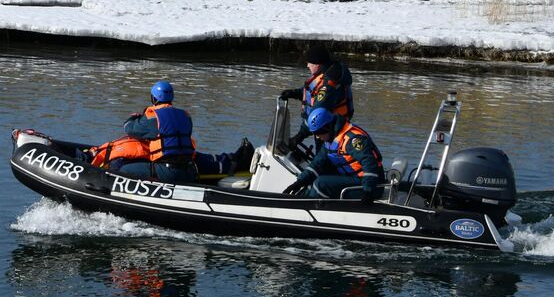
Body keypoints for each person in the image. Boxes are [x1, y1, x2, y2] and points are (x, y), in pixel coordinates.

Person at [87, 80, 253, 183]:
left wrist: (135, 117)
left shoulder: (154, 117)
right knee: (206, 159)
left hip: (168, 172)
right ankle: (237, 159)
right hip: (189, 170)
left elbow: (130, 129)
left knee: (121, 169)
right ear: (171, 98)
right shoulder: (185, 116)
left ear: (153, 98)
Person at [282, 108, 385, 203]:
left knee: (321, 184)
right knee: (314, 177)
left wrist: (368, 191)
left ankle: (307, 209)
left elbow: (369, 164)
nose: (317, 137)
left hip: (371, 186)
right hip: (353, 178)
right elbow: (317, 164)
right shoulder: (331, 139)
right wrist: (299, 182)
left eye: (319, 133)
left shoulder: (352, 139)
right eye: (315, 133)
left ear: (328, 127)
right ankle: (298, 201)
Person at [279, 44, 354, 151]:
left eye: (309, 63)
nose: (307, 65)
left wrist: (299, 137)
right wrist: (294, 93)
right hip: (325, 130)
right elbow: (313, 92)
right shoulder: (327, 72)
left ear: (317, 64)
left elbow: (318, 116)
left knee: (323, 162)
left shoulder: (329, 86)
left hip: (330, 132)